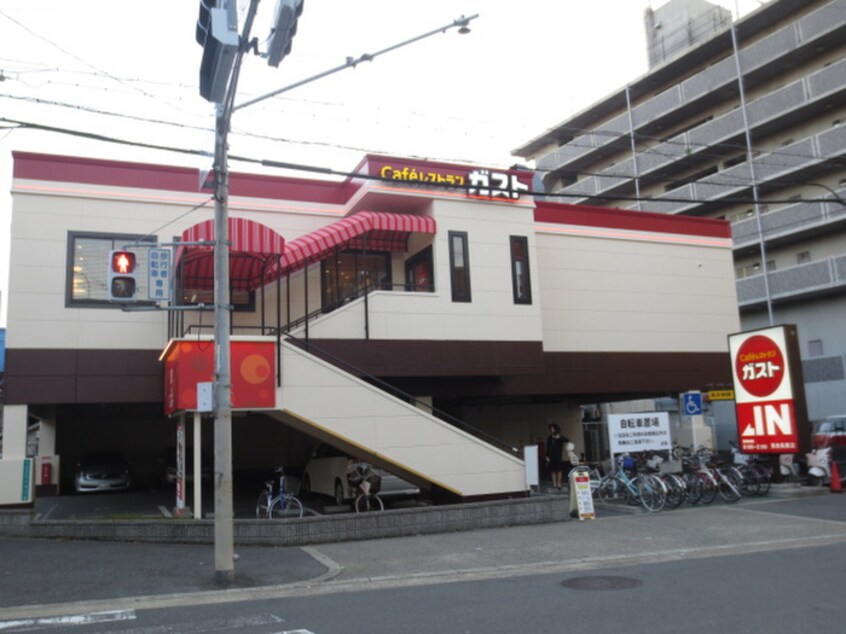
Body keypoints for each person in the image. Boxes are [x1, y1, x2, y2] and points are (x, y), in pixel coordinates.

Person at [545, 424, 569, 491]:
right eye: (551, 429)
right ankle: (554, 483)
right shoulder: (550, 437)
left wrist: (560, 437)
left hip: (558, 456)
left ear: (556, 429)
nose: (552, 430)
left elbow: (567, 440)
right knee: (552, 470)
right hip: (551, 456)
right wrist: (547, 456)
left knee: (559, 470)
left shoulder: (560, 437)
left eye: (553, 428)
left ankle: (559, 483)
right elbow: (548, 447)